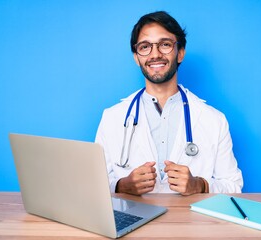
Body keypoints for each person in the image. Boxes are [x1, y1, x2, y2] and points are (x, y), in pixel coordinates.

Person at [95, 11, 243, 196]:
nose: (155, 54)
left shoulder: (214, 120)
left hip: (193, 223)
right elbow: (94, 185)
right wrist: (121, 186)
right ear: (136, 57)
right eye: (145, 46)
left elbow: (234, 186)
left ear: (180, 53)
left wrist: (200, 186)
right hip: (135, 223)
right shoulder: (112, 118)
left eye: (165, 45)